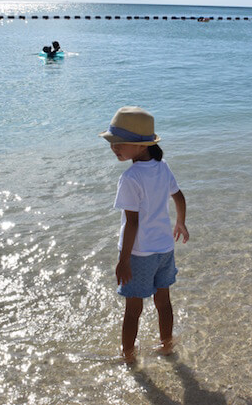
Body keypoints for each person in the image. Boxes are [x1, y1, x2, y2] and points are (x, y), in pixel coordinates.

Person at [99, 106, 189, 363]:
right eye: (112, 143)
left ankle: (128, 357)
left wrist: (124, 259)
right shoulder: (162, 167)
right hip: (164, 249)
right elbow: (179, 197)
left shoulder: (130, 178)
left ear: (141, 146)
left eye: (119, 143)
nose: (114, 148)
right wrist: (180, 223)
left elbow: (132, 223)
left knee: (133, 310)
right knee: (163, 302)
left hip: (139, 253)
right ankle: (167, 345)